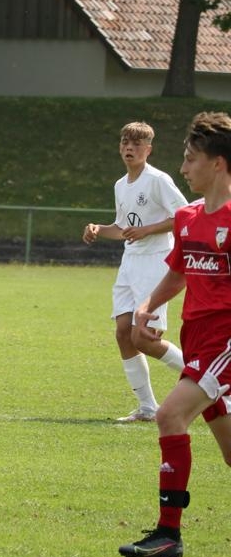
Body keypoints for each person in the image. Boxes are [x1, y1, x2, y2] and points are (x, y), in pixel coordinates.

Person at [118, 112, 231, 557]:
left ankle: (169, 534)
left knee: (169, 415)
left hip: (225, 342)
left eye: (191, 159)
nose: (183, 169)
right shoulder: (186, 218)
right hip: (198, 338)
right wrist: (146, 306)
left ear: (218, 164)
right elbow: (178, 272)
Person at [83, 121, 187, 422]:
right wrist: (98, 229)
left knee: (144, 337)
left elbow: (183, 216)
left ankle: (210, 380)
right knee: (122, 332)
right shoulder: (120, 185)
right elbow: (122, 228)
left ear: (148, 150)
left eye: (137, 144)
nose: (129, 148)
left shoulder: (158, 180)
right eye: (125, 143)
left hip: (155, 262)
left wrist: (147, 230)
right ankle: (147, 407)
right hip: (130, 263)